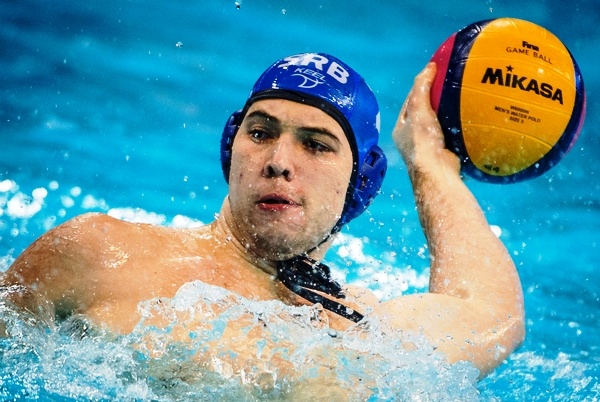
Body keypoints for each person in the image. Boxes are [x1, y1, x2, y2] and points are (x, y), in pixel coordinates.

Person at [0, 53, 524, 379]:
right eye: (261, 132)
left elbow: (491, 315)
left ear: (359, 183)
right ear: (231, 150)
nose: (277, 161)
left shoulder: (367, 328)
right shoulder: (99, 256)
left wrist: (429, 164)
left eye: (316, 146)